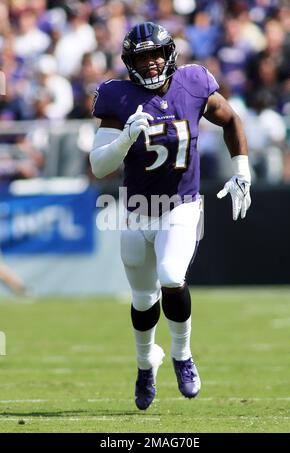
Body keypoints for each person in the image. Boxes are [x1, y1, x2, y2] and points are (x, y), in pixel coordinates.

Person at [90, 22, 251, 410]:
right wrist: (125, 138)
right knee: (144, 298)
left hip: (182, 205)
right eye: (143, 57)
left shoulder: (193, 82)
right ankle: (146, 365)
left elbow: (229, 118)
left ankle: (182, 354)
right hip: (136, 210)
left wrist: (242, 172)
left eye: (157, 54)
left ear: (170, 55)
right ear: (130, 62)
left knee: (170, 276)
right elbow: (98, 165)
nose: (151, 63)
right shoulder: (117, 95)